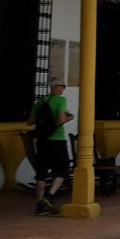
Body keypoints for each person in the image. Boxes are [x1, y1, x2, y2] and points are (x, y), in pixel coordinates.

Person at [27, 78, 73, 216]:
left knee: (41, 173)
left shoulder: (41, 101)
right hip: (57, 140)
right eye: (62, 86)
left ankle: (40, 206)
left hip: (42, 141)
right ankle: (49, 197)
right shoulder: (60, 100)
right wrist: (71, 117)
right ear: (56, 87)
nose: (63, 89)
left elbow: (30, 122)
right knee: (63, 169)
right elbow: (62, 119)